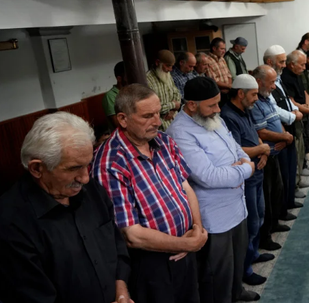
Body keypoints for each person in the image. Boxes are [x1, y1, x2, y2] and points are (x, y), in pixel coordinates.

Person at [0, 112, 133, 303]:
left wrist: (122, 291)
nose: (85, 178)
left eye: (87, 165)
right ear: (37, 168)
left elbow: (117, 247)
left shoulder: (92, 190)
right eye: (73, 168)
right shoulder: (11, 223)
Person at [92, 84, 208, 303]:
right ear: (123, 119)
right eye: (147, 116)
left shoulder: (163, 141)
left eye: (157, 113)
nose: (157, 121)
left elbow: (185, 187)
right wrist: (186, 244)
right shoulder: (111, 162)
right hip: (151, 262)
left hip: (185, 247)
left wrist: (197, 230)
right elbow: (131, 235)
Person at [166, 77, 261, 301]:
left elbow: (238, 150)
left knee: (237, 259)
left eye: (218, 103)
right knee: (217, 273)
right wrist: (245, 171)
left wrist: (242, 164)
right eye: (212, 105)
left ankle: (237, 291)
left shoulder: (212, 117)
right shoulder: (180, 132)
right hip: (214, 216)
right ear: (191, 105)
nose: (218, 109)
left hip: (237, 205)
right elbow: (207, 176)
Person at [220, 74, 281, 288]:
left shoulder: (245, 110)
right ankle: (245, 270)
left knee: (260, 217)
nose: (256, 98)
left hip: (257, 173)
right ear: (240, 93)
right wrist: (261, 149)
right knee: (251, 223)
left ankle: (253, 254)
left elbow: (255, 135)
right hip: (246, 178)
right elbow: (235, 150)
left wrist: (263, 151)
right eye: (253, 94)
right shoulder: (228, 115)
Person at [250, 65, 301, 219]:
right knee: (269, 193)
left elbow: (276, 120)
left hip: (278, 148)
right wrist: (284, 137)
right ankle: (272, 225)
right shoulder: (255, 102)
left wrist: (284, 136)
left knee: (280, 187)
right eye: (271, 82)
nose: (274, 86)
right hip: (267, 153)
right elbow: (261, 131)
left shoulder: (266, 98)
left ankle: (280, 215)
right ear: (259, 82)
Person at [281, 51, 309, 187]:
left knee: (302, 145)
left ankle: (300, 176)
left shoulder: (297, 74)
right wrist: (305, 108)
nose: (304, 68)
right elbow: (291, 100)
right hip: (295, 115)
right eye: (301, 65)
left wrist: (308, 103)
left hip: (302, 111)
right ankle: (296, 182)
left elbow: (304, 91)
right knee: (297, 148)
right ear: (292, 65)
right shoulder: (285, 77)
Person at [146, 50, 181, 131]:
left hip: (175, 120)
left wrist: (173, 110)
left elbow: (177, 93)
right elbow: (153, 108)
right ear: (157, 62)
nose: (170, 69)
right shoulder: (148, 79)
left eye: (172, 66)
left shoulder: (167, 75)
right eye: (168, 66)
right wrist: (173, 105)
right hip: (161, 126)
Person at [103, 60, 127, 131]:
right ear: (119, 79)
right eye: (127, 77)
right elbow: (118, 124)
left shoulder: (132, 90)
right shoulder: (110, 96)